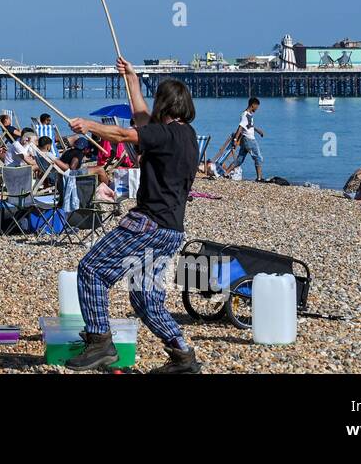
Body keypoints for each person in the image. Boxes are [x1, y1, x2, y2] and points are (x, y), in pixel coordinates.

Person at [65, 58, 202, 374]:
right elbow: (142, 118)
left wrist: (89, 126)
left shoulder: (163, 135)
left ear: (163, 105)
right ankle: (183, 357)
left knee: (92, 270)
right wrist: (132, 79)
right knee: (145, 299)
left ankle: (100, 344)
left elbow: (126, 135)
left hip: (147, 224)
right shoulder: (187, 135)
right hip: (171, 231)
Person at [227, 97, 264, 181]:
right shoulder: (245, 115)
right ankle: (259, 178)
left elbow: (249, 126)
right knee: (258, 157)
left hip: (245, 140)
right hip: (249, 139)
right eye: (257, 106)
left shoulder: (249, 115)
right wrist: (235, 140)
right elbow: (240, 127)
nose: (257, 108)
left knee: (239, 160)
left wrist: (258, 131)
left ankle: (226, 173)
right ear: (253, 105)